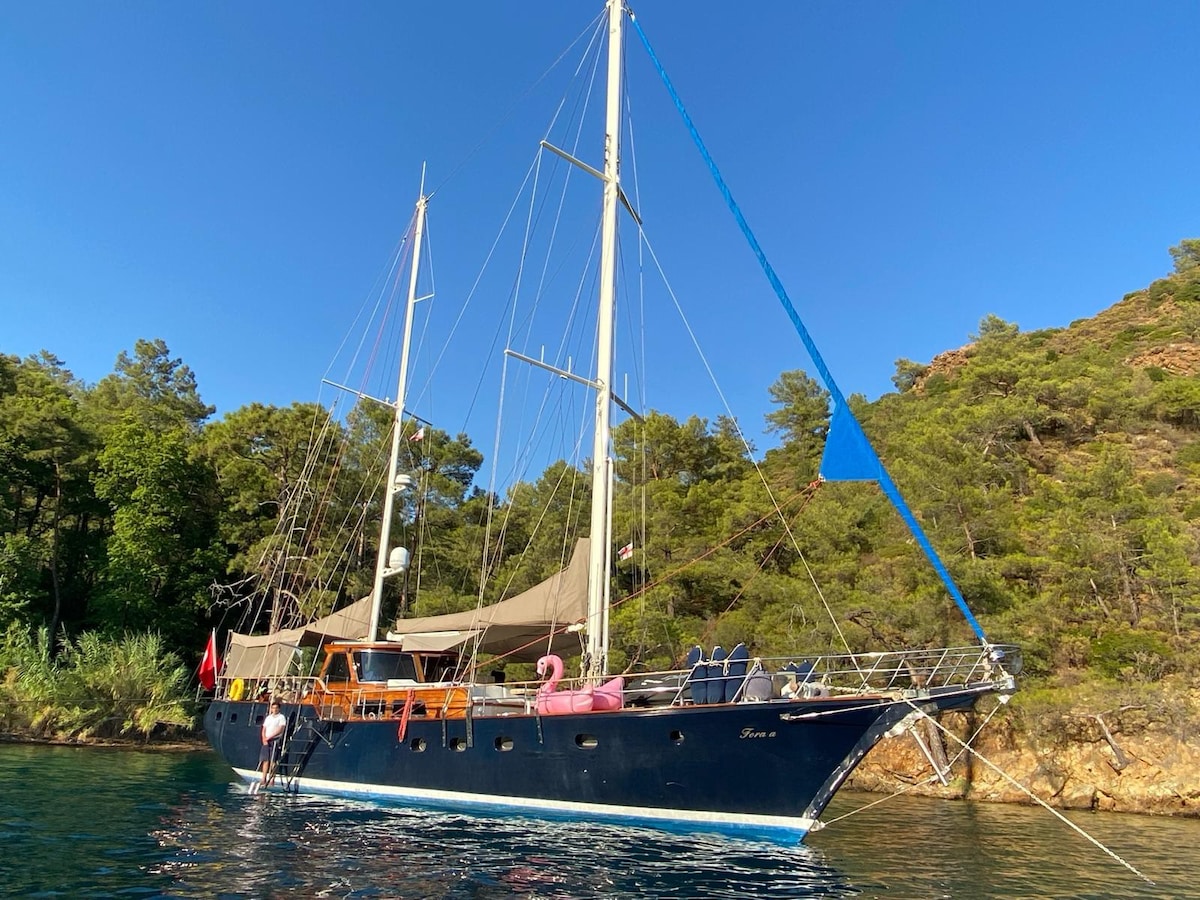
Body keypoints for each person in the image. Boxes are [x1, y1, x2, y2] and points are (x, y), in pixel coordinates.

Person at [252, 700, 288, 794]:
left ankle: (271, 779)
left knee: (273, 760)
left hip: (274, 740)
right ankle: (263, 778)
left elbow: (280, 729)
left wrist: (269, 737)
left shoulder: (281, 717)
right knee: (265, 760)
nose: (274, 709)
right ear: (271, 709)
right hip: (266, 740)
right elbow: (264, 728)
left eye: (276, 708)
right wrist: (264, 738)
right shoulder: (268, 718)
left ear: (279, 709)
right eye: (273, 708)